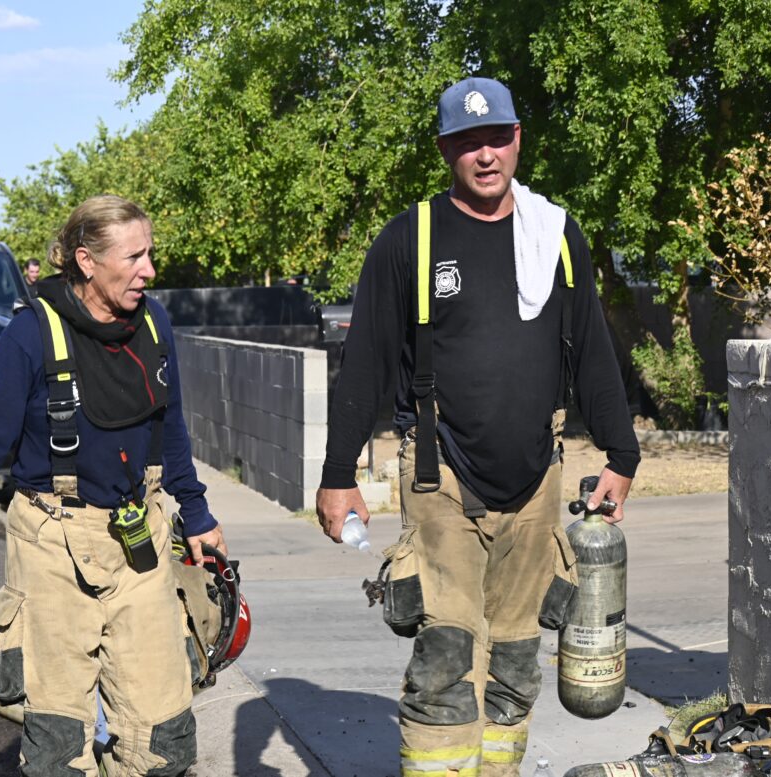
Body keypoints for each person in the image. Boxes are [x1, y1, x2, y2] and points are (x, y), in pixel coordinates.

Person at [316, 77, 640, 776]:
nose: (485, 155)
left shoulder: (555, 235)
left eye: (497, 138)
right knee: (446, 657)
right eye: (468, 143)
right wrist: (338, 474)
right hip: (441, 476)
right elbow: (365, 362)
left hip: (535, 483)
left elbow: (591, 350)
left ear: (517, 139)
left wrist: (623, 454)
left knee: (517, 658)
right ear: (445, 151)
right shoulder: (410, 239)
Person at [0, 195, 225, 777]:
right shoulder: (29, 335)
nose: (149, 269)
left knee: (164, 745)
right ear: (86, 260)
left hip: (141, 545)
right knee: (57, 751)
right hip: (52, 548)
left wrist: (196, 513)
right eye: (134, 256)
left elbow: (170, 426)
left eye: (150, 253)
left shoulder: (155, 324)